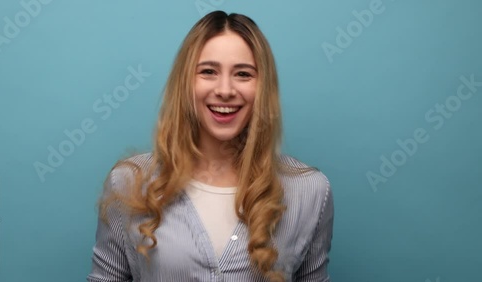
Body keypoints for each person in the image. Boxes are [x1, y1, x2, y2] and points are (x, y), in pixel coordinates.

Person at [87, 10, 334, 282]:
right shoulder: (129, 181)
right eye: (208, 71)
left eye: (243, 74)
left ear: (262, 87)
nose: (225, 89)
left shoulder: (311, 191)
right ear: (186, 82)